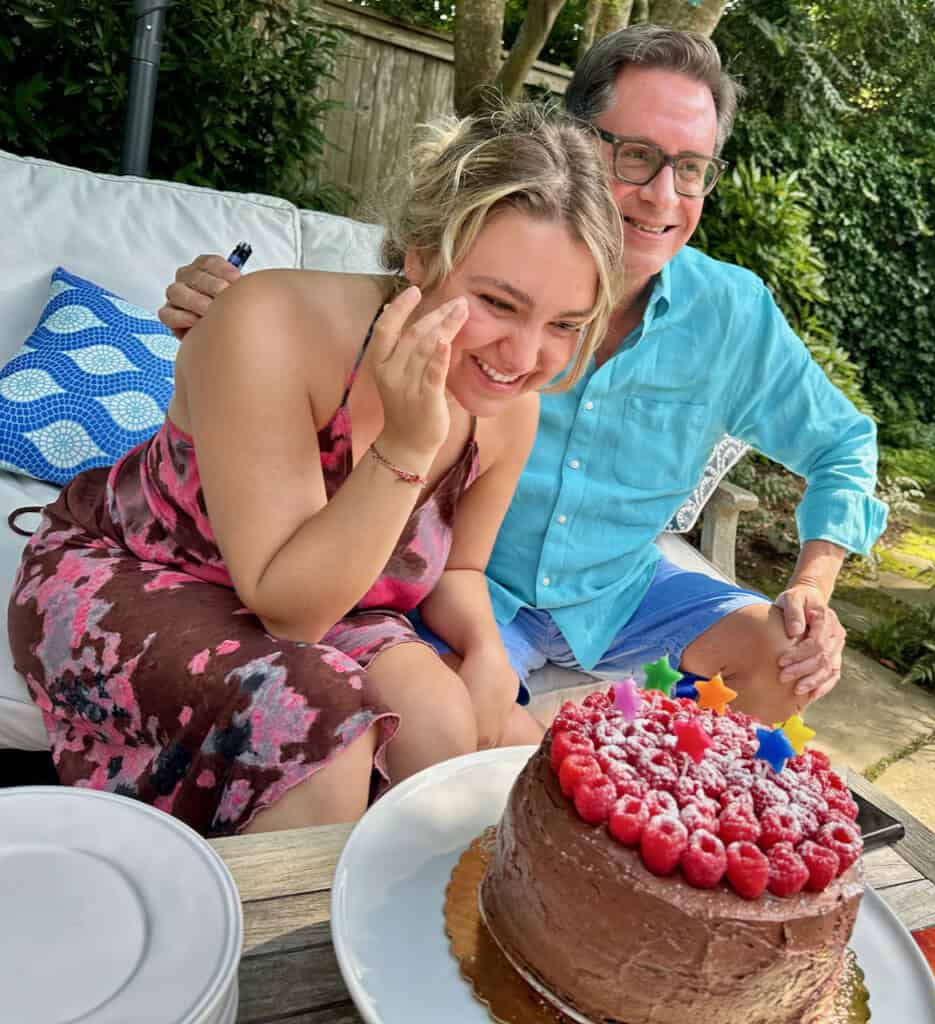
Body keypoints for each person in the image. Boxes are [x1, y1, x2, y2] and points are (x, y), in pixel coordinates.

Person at [159, 27, 888, 728]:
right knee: (439, 732)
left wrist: (811, 584)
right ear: (571, 144)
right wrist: (227, 312)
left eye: (691, 167)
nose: (663, 196)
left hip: (621, 593)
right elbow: (352, 319)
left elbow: (843, 443)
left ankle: (659, 784)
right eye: (635, 156)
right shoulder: (474, 268)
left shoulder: (732, 314)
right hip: (468, 591)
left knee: (787, 658)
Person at [6, 104, 624, 836]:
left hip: (340, 608)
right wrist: (406, 447)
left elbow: (459, 569)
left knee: (443, 727)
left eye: (564, 325)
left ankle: (389, 901)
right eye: (497, 303)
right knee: (323, 731)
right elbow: (289, 608)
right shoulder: (269, 321)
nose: (522, 358)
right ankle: (250, 911)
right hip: (142, 570)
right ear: (419, 256)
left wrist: (488, 653)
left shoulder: (509, 411)